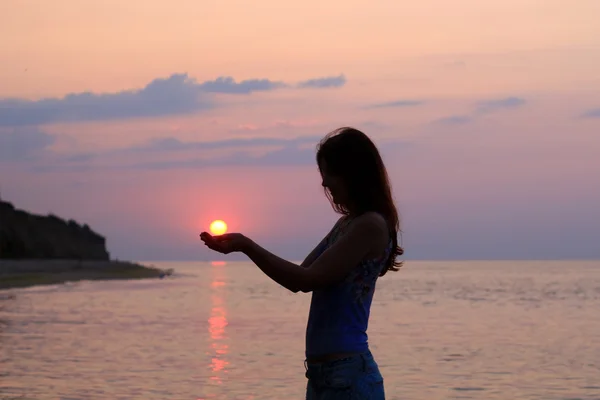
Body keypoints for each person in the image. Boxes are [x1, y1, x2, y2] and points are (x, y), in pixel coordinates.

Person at [200, 127, 404, 399]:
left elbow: (304, 281)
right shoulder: (347, 224)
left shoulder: (369, 226)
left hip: (347, 378)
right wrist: (243, 247)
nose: (324, 184)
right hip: (324, 376)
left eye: (328, 174)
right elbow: (302, 274)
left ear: (350, 173)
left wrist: (246, 245)